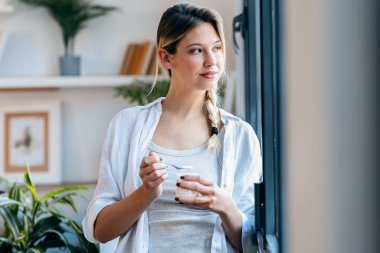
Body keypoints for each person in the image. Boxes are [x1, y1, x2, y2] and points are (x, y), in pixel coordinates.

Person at [82, 3, 262, 253]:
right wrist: (146, 193)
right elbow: (100, 231)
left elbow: (253, 242)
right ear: (166, 57)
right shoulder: (127, 125)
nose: (212, 61)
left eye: (217, 48)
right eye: (197, 50)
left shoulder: (240, 135)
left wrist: (222, 204)